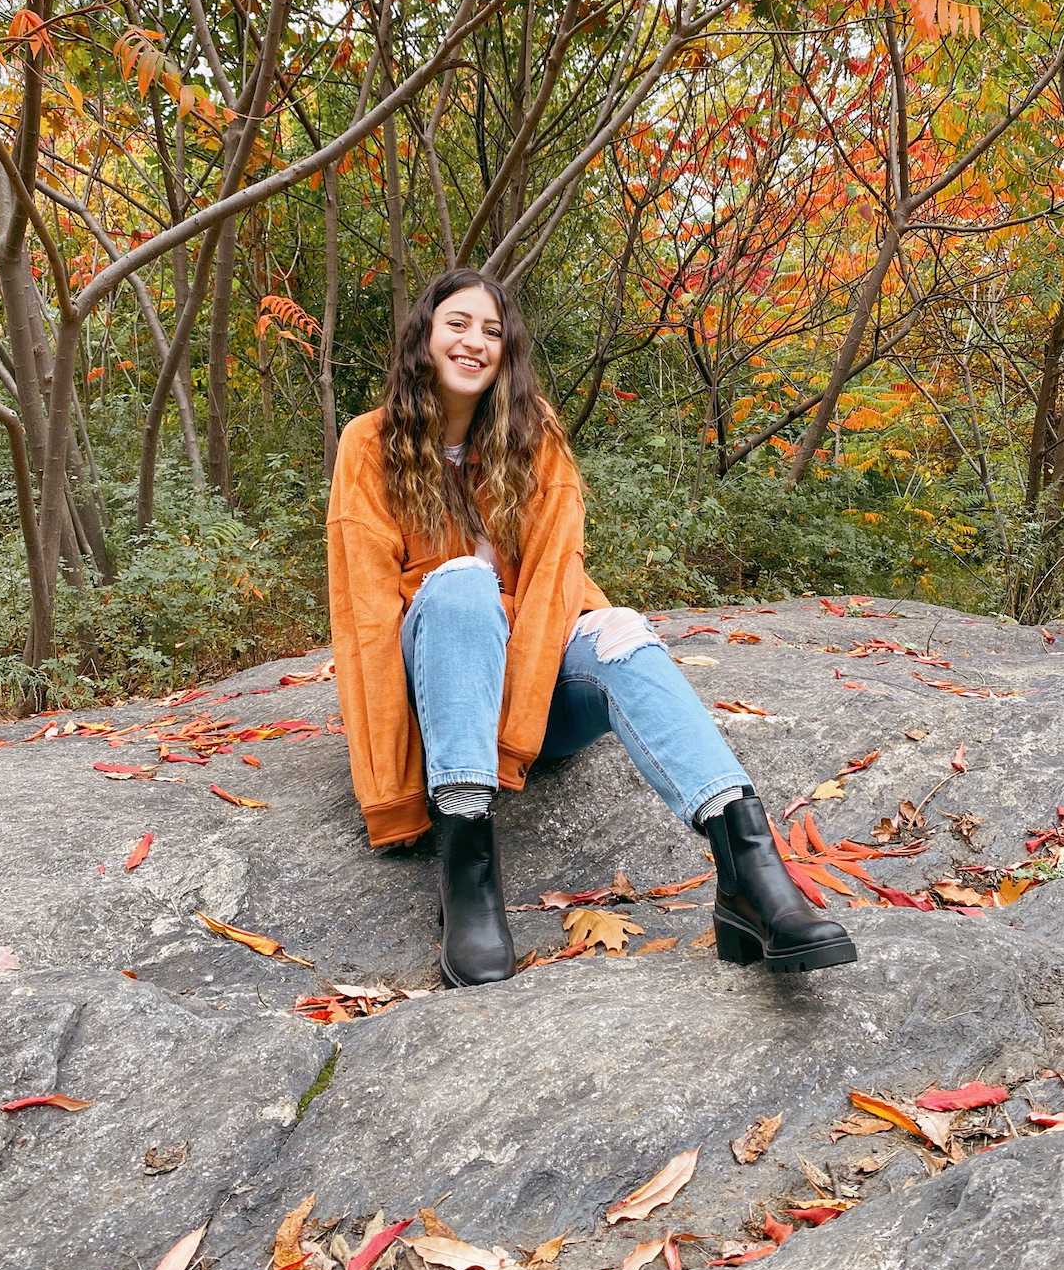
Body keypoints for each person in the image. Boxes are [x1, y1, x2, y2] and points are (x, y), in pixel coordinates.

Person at [327, 269, 857, 987]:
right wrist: (392, 793)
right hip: (442, 702)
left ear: (506, 352)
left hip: (535, 694)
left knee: (618, 630)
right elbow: (363, 615)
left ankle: (750, 874)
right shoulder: (369, 442)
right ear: (423, 333)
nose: (473, 342)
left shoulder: (533, 435)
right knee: (458, 586)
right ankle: (468, 877)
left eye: (491, 331)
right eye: (457, 323)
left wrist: (515, 730)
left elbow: (553, 584)